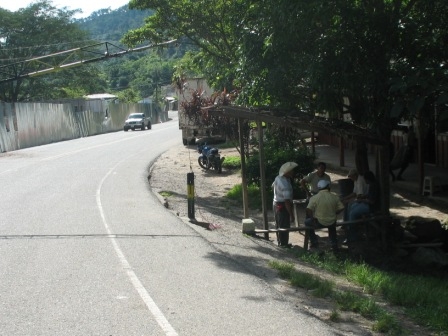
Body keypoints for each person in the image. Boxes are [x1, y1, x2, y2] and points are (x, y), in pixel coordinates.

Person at [304, 179, 345, 251]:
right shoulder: (334, 196)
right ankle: (334, 245)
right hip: (332, 221)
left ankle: (314, 242)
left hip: (319, 222)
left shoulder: (314, 198)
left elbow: (308, 209)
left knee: (307, 222)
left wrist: (312, 218)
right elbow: (342, 207)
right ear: (328, 187)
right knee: (332, 228)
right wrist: (335, 213)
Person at [345, 171, 380, 243]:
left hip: (371, 207)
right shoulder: (371, 185)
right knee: (353, 207)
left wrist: (362, 200)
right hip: (367, 204)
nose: (364, 181)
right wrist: (364, 197)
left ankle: (352, 236)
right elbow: (369, 196)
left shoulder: (374, 186)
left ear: (368, 179)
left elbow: (372, 201)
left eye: (365, 179)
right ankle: (350, 228)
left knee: (353, 213)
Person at [272, 161, 297, 247]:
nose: (293, 172)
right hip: (282, 204)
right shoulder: (285, 184)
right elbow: (287, 202)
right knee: (284, 224)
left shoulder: (279, 178)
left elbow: (273, 186)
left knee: (279, 223)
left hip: (276, 202)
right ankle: (284, 244)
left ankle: (281, 242)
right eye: (291, 171)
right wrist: (292, 215)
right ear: (287, 172)